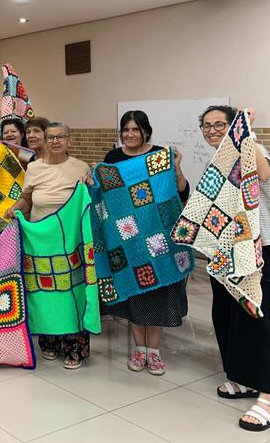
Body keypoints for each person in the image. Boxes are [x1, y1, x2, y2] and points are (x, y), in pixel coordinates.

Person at [200, 106, 270, 432]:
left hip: (257, 252)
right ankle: (242, 378)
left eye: (220, 124)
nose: (212, 130)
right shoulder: (217, 160)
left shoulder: (254, 148)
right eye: (206, 126)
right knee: (226, 316)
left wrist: (245, 134)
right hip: (224, 253)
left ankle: (269, 398)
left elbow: (263, 175)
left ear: (234, 125)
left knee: (258, 321)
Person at [102, 111, 190, 376]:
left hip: (157, 236)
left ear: (145, 132)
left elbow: (181, 192)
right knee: (134, 293)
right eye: (125, 130)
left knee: (157, 293)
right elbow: (107, 196)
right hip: (126, 238)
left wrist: (176, 168)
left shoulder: (159, 156)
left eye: (135, 130)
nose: (130, 135)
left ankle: (155, 352)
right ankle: (139, 350)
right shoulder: (113, 158)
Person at [5, 122, 92, 369]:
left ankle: (75, 346)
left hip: (70, 241)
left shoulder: (80, 167)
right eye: (50, 137)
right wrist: (15, 208)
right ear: (44, 140)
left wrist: (90, 183)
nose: (55, 141)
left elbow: (88, 200)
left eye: (60, 137)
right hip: (40, 240)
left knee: (71, 291)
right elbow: (26, 198)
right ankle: (49, 341)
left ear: (68, 140)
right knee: (43, 291)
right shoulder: (33, 167)